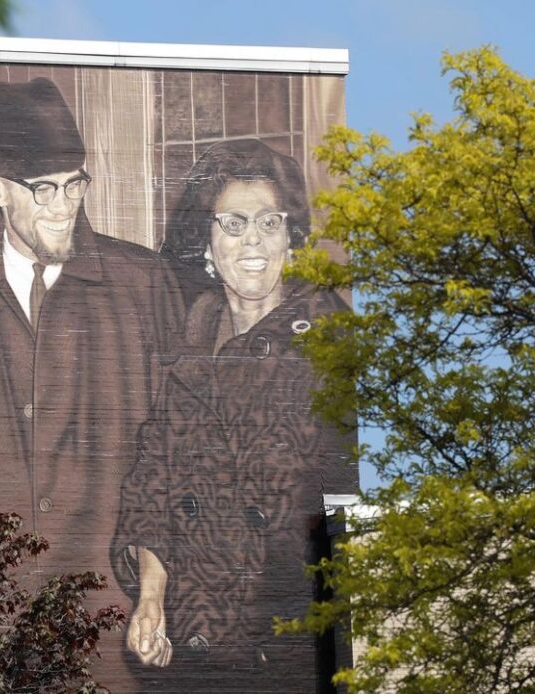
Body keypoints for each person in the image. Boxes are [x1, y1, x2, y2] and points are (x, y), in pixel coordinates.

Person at [0, 77, 184, 690]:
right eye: (44, 191)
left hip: (118, 631)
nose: (65, 207)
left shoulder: (143, 286)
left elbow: (176, 461)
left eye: (75, 185)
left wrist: (155, 591)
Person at [112, 139, 359, 692]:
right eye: (233, 223)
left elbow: (348, 507)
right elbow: (154, 483)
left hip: (296, 654)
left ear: (291, 240)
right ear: (206, 242)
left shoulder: (331, 346)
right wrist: (152, 596)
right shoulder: (187, 348)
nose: (253, 240)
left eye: (269, 223)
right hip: (200, 656)